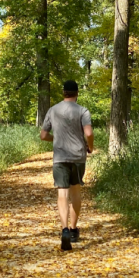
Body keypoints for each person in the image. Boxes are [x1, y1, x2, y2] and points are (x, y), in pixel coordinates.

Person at [40, 80, 94, 250]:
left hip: (60, 158)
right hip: (78, 157)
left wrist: (56, 139)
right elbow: (89, 132)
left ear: (63, 92)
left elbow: (43, 135)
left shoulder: (53, 110)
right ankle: (73, 230)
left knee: (62, 194)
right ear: (77, 93)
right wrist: (90, 147)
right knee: (75, 192)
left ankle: (63, 229)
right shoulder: (83, 111)